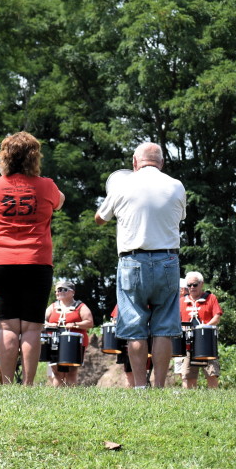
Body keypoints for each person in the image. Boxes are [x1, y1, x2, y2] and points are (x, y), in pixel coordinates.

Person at [95, 142, 185, 389]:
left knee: (135, 326)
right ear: (162, 163)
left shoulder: (123, 184)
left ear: (135, 162)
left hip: (133, 260)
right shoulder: (176, 186)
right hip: (168, 260)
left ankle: (139, 387)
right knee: (164, 327)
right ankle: (159, 387)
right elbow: (179, 216)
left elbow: (100, 219)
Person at [0, 131, 65, 386]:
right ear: (34, 157)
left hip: (0, 262)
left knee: (7, 327)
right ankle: (27, 384)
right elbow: (60, 202)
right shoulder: (47, 185)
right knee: (31, 328)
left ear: (4, 157)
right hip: (36, 262)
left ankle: (6, 384)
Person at [44, 279, 94, 387]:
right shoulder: (53, 306)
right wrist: (49, 324)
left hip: (74, 343)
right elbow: (42, 321)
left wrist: (75, 324)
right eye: (57, 290)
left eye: (63, 289)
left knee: (71, 372)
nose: (59, 292)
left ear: (72, 292)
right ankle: (58, 399)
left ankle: (71, 397)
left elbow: (89, 323)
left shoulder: (80, 306)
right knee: (57, 373)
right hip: (54, 341)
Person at [176, 270, 222, 389]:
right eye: (189, 285)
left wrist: (204, 327)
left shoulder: (211, 298)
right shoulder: (181, 301)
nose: (192, 287)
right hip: (187, 344)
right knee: (187, 375)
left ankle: (214, 399)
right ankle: (189, 400)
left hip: (207, 342)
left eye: (194, 285)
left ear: (201, 284)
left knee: (212, 373)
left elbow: (217, 316)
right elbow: (176, 320)